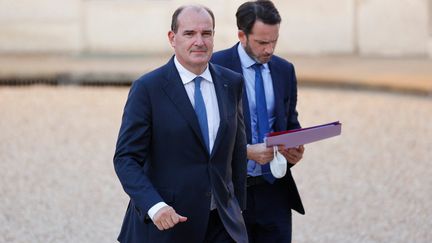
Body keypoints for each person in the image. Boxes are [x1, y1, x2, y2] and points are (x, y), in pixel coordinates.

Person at [113, 4, 248, 243]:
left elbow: (235, 151)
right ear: (172, 38)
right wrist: (155, 206)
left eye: (206, 33)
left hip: (222, 226)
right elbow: (126, 159)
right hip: (167, 226)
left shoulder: (231, 83)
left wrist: (237, 208)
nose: (200, 41)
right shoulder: (148, 89)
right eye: (190, 34)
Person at [211, 0, 305, 242]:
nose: (270, 49)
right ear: (242, 35)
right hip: (230, 191)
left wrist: (295, 148)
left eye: (274, 41)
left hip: (275, 189)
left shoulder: (285, 70)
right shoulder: (214, 68)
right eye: (262, 42)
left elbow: (290, 123)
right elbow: (204, 135)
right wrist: (245, 153)